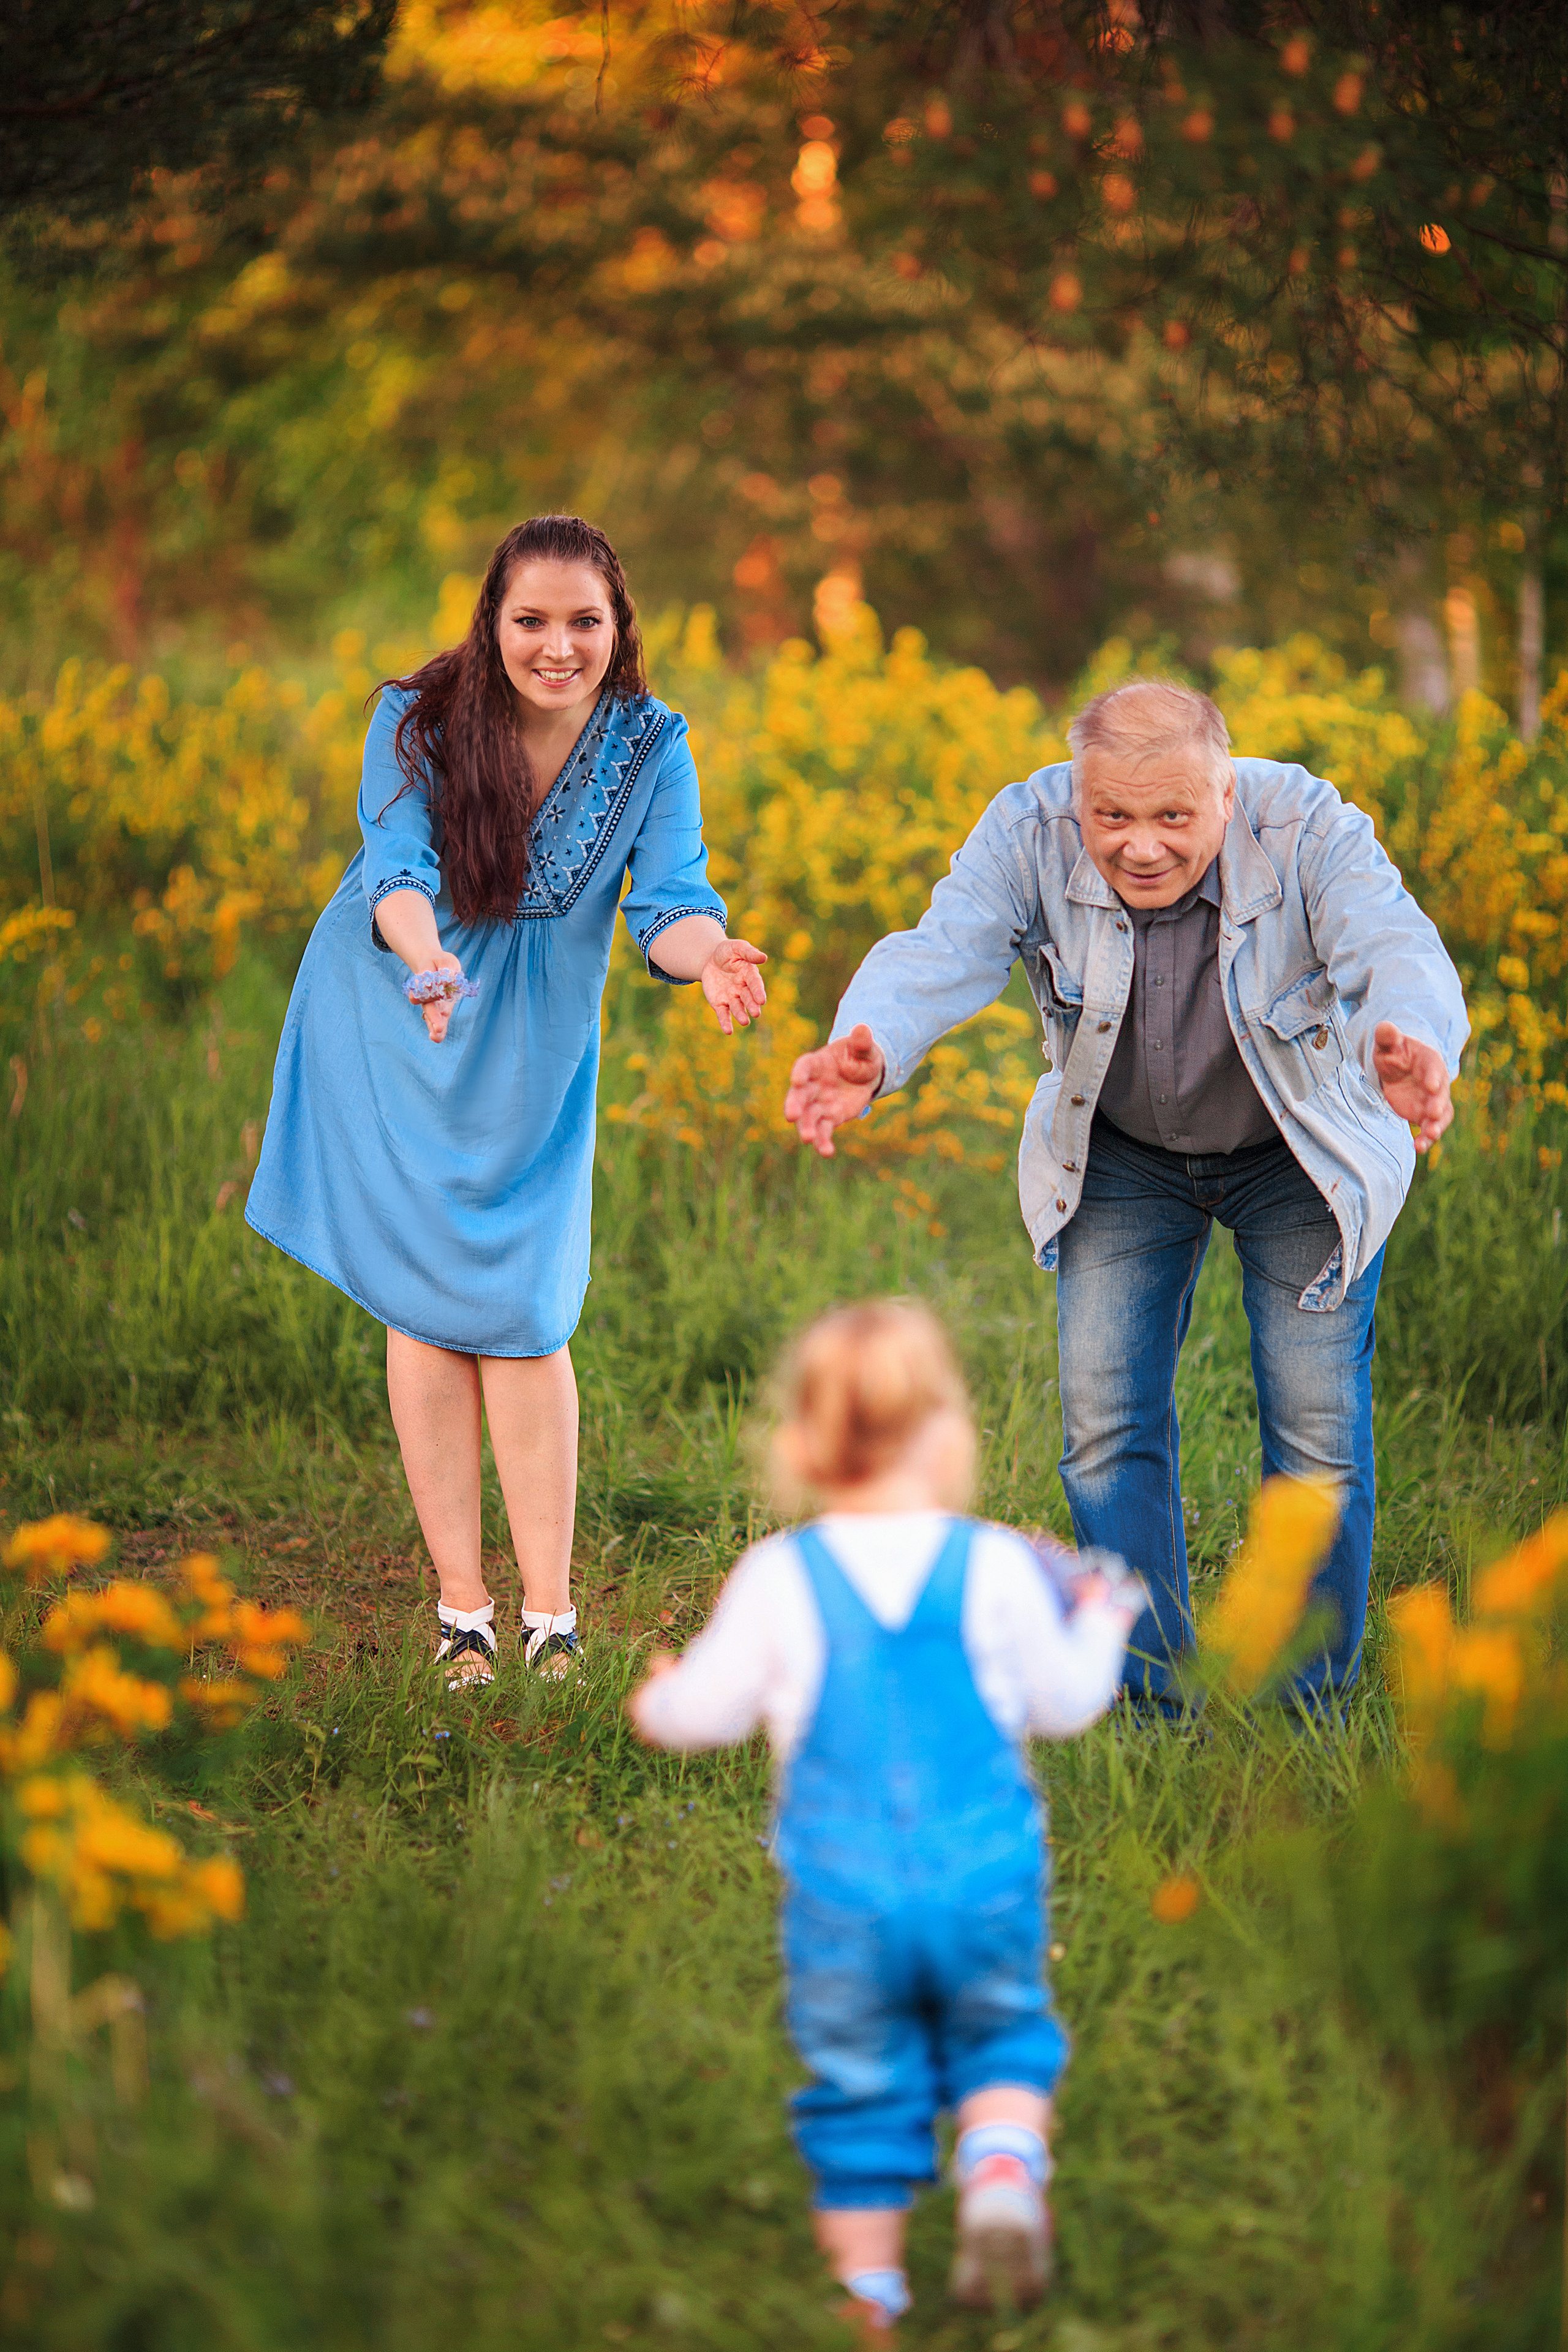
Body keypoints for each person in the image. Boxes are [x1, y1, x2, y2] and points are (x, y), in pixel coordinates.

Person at [783, 679, 1468, 1711]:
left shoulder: (1307, 826)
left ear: (1226, 795)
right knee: (1106, 1424)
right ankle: (1147, 1692)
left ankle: (1305, 1700)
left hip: (1300, 1151)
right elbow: (942, 948)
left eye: (1173, 818)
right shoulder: (1029, 828)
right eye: (1112, 816)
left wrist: (1415, 1043)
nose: (1141, 847)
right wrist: (867, 1048)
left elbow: (1393, 945)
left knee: (1316, 1432)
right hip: (1123, 1152)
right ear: (1080, 797)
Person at [247, 515, 767, 1686]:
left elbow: (671, 903)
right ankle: (464, 1613)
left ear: (619, 627)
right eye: (531, 620)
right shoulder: (419, 719)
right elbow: (395, 871)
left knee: (531, 1315)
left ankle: (553, 1618)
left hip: (535, 1051)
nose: (558, 646)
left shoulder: (652, 744)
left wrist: (713, 959)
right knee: (428, 1308)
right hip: (405, 1011)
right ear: (493, 622)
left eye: (585, 621)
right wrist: (428, 958)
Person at [630, 1300, 1138, 2338]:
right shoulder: (996, 1565)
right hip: (986, 1877)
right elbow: (1067, 1704)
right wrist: (1103, 1622)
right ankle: (1001, 2169)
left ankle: (868, 2298)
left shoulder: (779, 1577)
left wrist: (659, 1696)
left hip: (844, 1897)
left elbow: (703, 1716)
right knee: (1001, 2031)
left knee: (862, 2084)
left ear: (801, 1448)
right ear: (948, 1439)